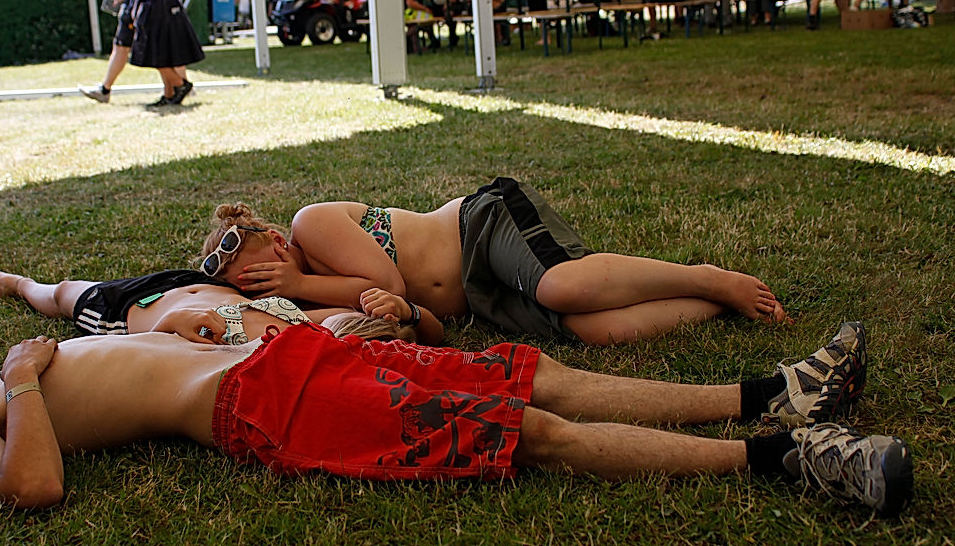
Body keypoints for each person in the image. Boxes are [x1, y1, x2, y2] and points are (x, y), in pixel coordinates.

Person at [0, 318, 913, 516]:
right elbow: (36, 485)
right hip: (266, 404)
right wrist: (16, 376)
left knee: (527, 376)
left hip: (287, 351)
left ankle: (772, 393)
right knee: (525, 431)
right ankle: (789, 458)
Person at [198, 178, 789, 347]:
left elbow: (388, 281)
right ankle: (713, 304)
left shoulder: (310, 223)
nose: (248, 279)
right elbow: (398, 313)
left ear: (270, 237)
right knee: (602, 330)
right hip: (482, 303)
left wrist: (300, 279)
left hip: (480, 227)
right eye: (238, 284)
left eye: (243, 258)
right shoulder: (307, 298)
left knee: (561, 286)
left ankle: (709, 277)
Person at [0, 267, 444, 346]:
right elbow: (436, 335)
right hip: (190, 282)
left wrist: (166, 324)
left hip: (123, 314)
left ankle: (19, 285)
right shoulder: (300, 320)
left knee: (62, 293)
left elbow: (160, 362)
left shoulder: (248, 351)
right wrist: (408, 312)